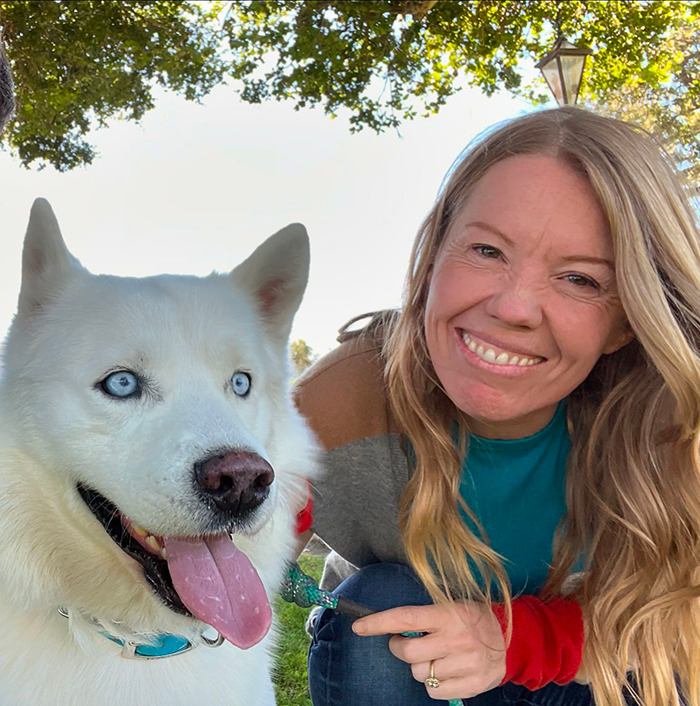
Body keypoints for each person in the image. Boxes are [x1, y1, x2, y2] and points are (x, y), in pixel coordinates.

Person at [293, 106, 700, 706]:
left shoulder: (673, 422)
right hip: (418, 661)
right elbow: (209, 528)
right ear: (433, 256)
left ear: (626, 323)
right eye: (487, 251)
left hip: (590, 666)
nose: (514, 308)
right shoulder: (344, 399)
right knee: (380, 600)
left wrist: (515, 640)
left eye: (581, 279)